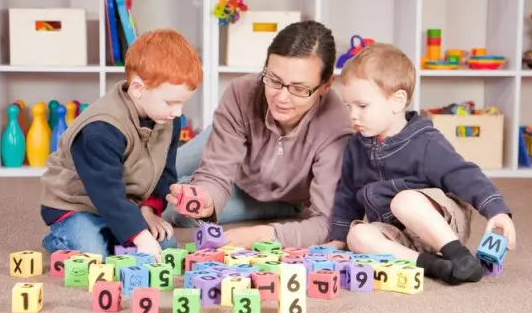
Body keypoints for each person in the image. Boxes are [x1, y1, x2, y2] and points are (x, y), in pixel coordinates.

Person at [326, 43, 517, 284]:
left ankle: (459, 256)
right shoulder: (356, 146)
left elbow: (464, 174)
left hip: (442, 226)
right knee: (358, 235)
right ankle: (432, 266)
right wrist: (339, 238)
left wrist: (496, 209)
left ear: (397, 101)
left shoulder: (425, 142)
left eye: (362, 106)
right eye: (348, 106)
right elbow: (347, 195)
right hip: (399, 234)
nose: (353, 115)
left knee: (404, 200)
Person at [162, 20, 353, 248]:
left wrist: (266, 234)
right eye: (274, 80)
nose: (282, 98)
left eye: (299, 89)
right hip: (230, 150)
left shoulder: (337, 127)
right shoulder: (242, 92)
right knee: (153, 177)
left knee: (175, 211)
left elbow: (325, 223)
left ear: (326, 84)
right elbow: (216, 173)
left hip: (279, 198)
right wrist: (206, 198)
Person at [39, 29, 203, 261]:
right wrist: (139, 235)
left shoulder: (169, 118)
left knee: (166, 243)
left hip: (125, 201)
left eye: (182, 103)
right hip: (78, 205)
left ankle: (119, 231)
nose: (177, 112)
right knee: (94, 253)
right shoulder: (100, 130)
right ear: (137, 88)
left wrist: (149, 210)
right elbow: (105, 191)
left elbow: (165, 172)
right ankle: (59, 238)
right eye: (170, 102)